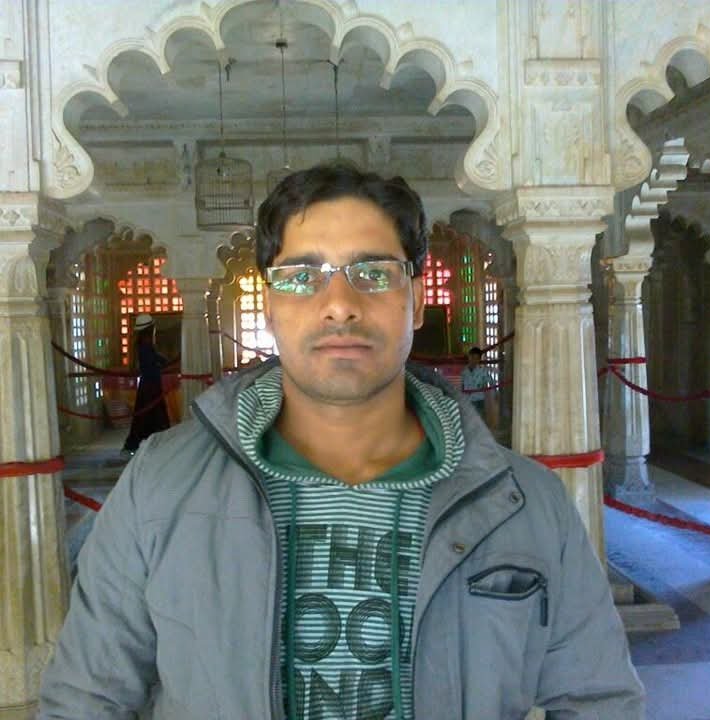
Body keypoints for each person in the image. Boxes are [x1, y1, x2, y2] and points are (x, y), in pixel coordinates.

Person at [39, 164, 644, 719]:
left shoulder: (525, 501)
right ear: (268, 305)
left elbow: (597, 699)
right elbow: (86, 699)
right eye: (302, 276)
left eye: (373, 273)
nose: (339, 306)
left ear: (415, 299)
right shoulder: (161, 486)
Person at [122, 313, 170, 455]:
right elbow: (151, 364)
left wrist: (164, 361)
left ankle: (145, 443)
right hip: (150, 385)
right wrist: (162, 363)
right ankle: (148, 443)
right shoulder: (145, 346)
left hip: (149, 384)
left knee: (147, 415)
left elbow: (156, 358)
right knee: (150, 415)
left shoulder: (145, 345)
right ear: (149, 330)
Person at [461, 345, 495, 419]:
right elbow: (461, 386)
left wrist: (487, 388)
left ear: (479, 359)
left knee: (480, 419)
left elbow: (492, 382)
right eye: (472, 357)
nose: (474, 360)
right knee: (469, 420)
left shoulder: (482, 371)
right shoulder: (463, 371)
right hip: (467, 401)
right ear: (469, 357)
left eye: (476, 358)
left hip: (479, 400)